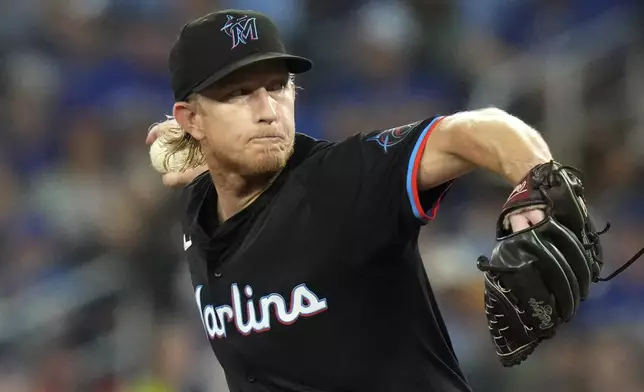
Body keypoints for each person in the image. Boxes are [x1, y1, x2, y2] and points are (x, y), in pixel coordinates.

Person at [146, 9, 553, 392]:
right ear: (191, 120)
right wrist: (185, 145)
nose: (268, 110)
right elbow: (192, 161)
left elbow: (477, 131)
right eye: (238, 93)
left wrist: (539, 180)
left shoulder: (341, 181)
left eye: (277, 86)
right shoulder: (201, 199)